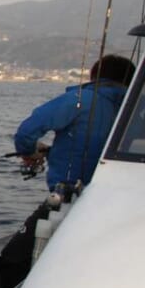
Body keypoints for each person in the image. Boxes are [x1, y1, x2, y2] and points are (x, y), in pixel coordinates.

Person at [14, 54, 136, 191]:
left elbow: (27, 132)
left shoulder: (79, 99)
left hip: (72, 190)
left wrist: (28, 151)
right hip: (123, 190)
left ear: (94, 75)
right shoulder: (137, 106)